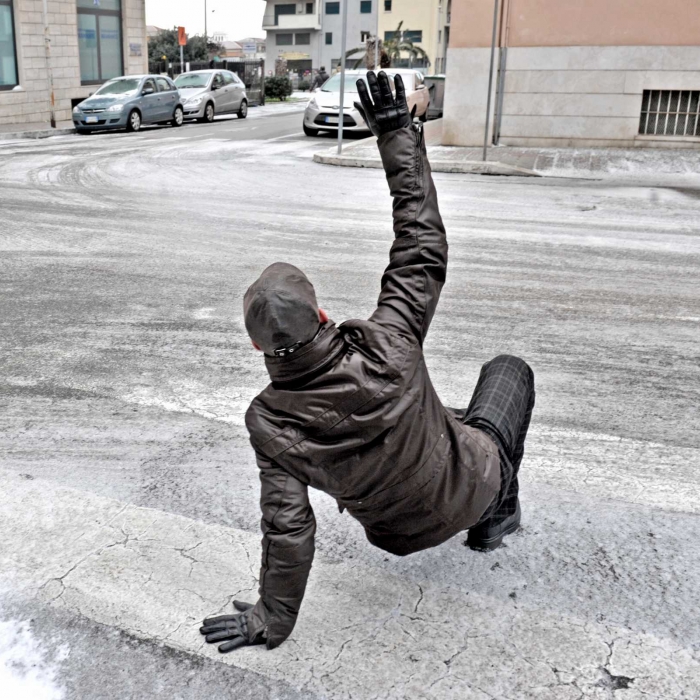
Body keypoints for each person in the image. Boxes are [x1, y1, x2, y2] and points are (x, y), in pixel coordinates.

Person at [200, 71, 535, 654]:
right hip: (471, 484)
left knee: (445, 415)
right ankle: (495, 518)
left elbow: (288, 529)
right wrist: (397, 135)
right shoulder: (388, 343)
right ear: (323, 312)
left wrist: (269, 621)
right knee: (508, 371)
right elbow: (421, 243)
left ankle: (481, 498)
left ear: (258, 348)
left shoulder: (271, 424)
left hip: (395, 536)